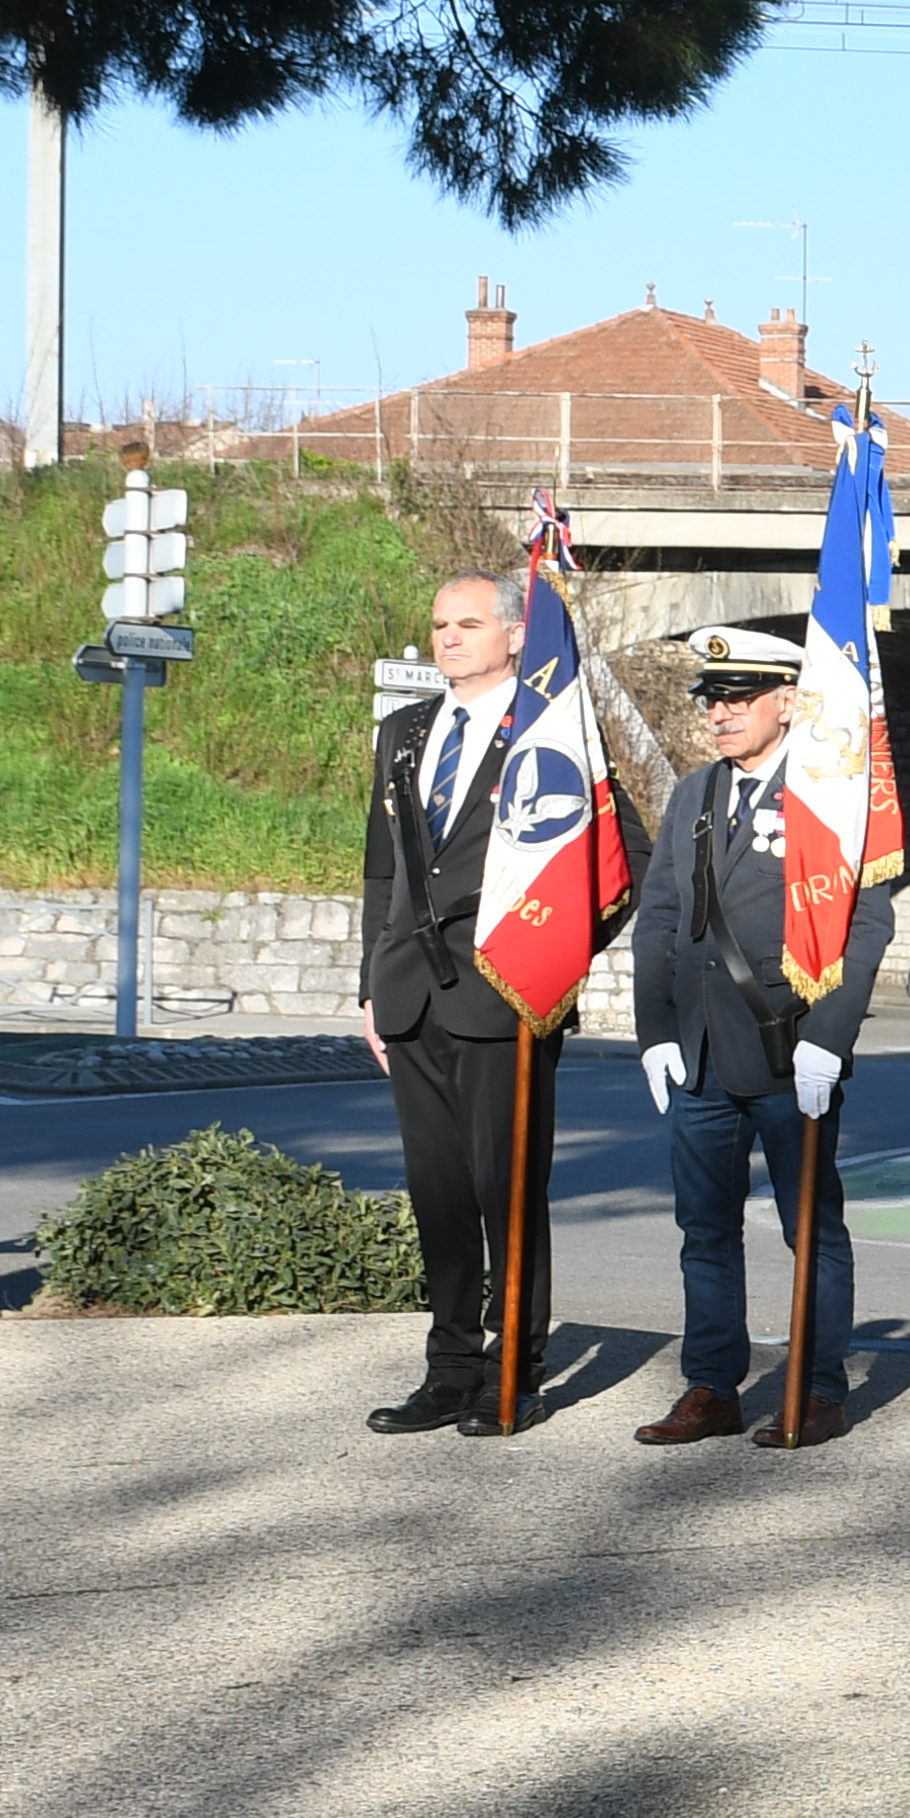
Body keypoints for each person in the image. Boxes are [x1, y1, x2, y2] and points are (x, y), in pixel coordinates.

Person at [626, 624, 894, 1449]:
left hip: (788, 1047)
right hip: (702, 1052)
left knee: (810, 1225)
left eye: (738, 698)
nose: (720, 714)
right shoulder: (695, 793)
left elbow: (865, 919)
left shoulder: (829, 792)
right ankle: (711, 1385)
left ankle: (816, 1388)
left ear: (789, 700)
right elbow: (661, 917)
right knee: (703, 1228)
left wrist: (831, 1034)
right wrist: (656, 1030)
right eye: (711, 700)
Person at [358, 573, 563, 1434]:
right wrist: (372, 984)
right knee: (436, 1192)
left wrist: (551, 953)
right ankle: (447, 1369)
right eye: (440, 624)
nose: (449, 638)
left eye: (469, 624)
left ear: (513, 636)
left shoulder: (554, 727)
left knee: (505, 1189)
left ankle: (508, 1370)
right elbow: (381, 867)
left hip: (504, 993)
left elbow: (610, 854)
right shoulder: (403, 732)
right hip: (411, 995)